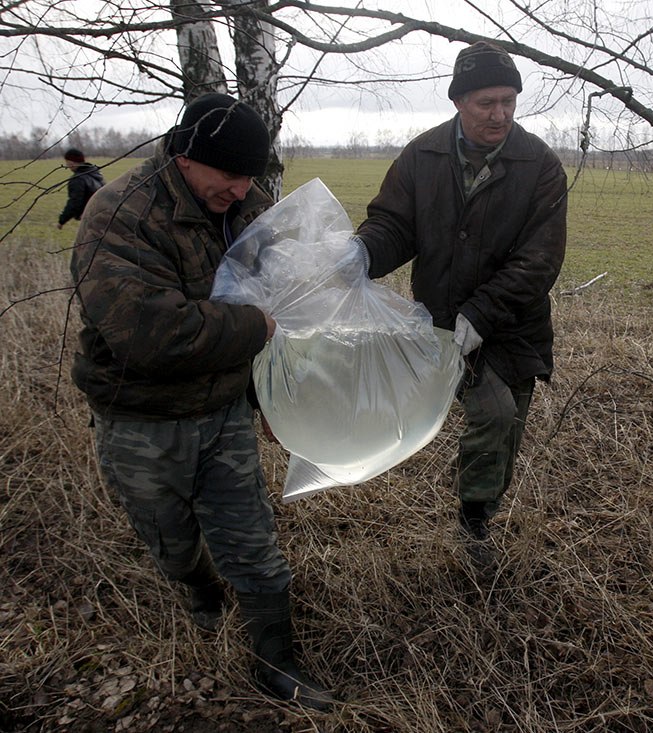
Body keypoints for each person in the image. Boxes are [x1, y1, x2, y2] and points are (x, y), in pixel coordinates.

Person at [69, 93, 333, 711]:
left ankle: (276, 659)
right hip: (142, 421)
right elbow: (150, 334)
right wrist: (255, 329)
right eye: (229, 175)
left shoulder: (248, 205)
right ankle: (199, 590)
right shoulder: (119, 215)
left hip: (223, 414)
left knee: (254, 544)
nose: (242, 191)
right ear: (185, 157)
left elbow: (286, 291)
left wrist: (273, 395)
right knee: (172, 539)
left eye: (251, 176)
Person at [353, 41, 568, 544]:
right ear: (458, 102)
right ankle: (475, 518)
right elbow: (393, 225)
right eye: (486, 103)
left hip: (512, 324)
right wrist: (361, 254)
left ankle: (474, 519)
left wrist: (483, 311)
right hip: (441, 319)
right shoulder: (421, 156)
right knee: (489, 415)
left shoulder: (539, 165)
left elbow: (540, 259)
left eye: (509, 101)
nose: (500, 114)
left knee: (502, 424)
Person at [57, 148, 105, 229]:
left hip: (91, 217)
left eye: (67, 162)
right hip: (103, 214)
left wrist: (62, 220)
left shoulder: (78, 179)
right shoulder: (94, 173)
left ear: (71, 162)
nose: (67, 165)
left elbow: (74, 203)